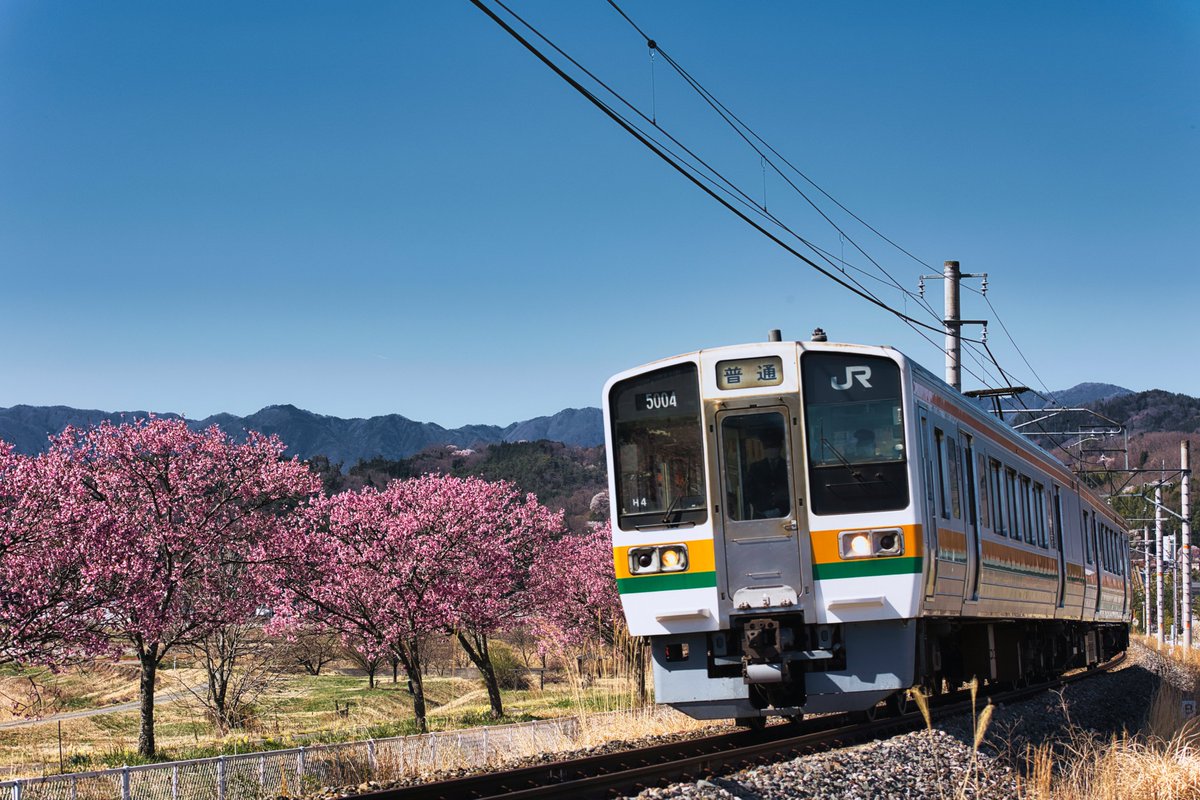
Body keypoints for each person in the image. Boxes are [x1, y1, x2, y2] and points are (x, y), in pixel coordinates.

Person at [746, 428, 790, 518]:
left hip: (786, 515)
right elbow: (749, 493)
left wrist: (780, 509)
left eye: (774, 446)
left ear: (780, 447)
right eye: (767, 447)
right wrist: (762, 509)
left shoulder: (789, 467)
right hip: (760, 516)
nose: (771, 450)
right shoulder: (755, 468)